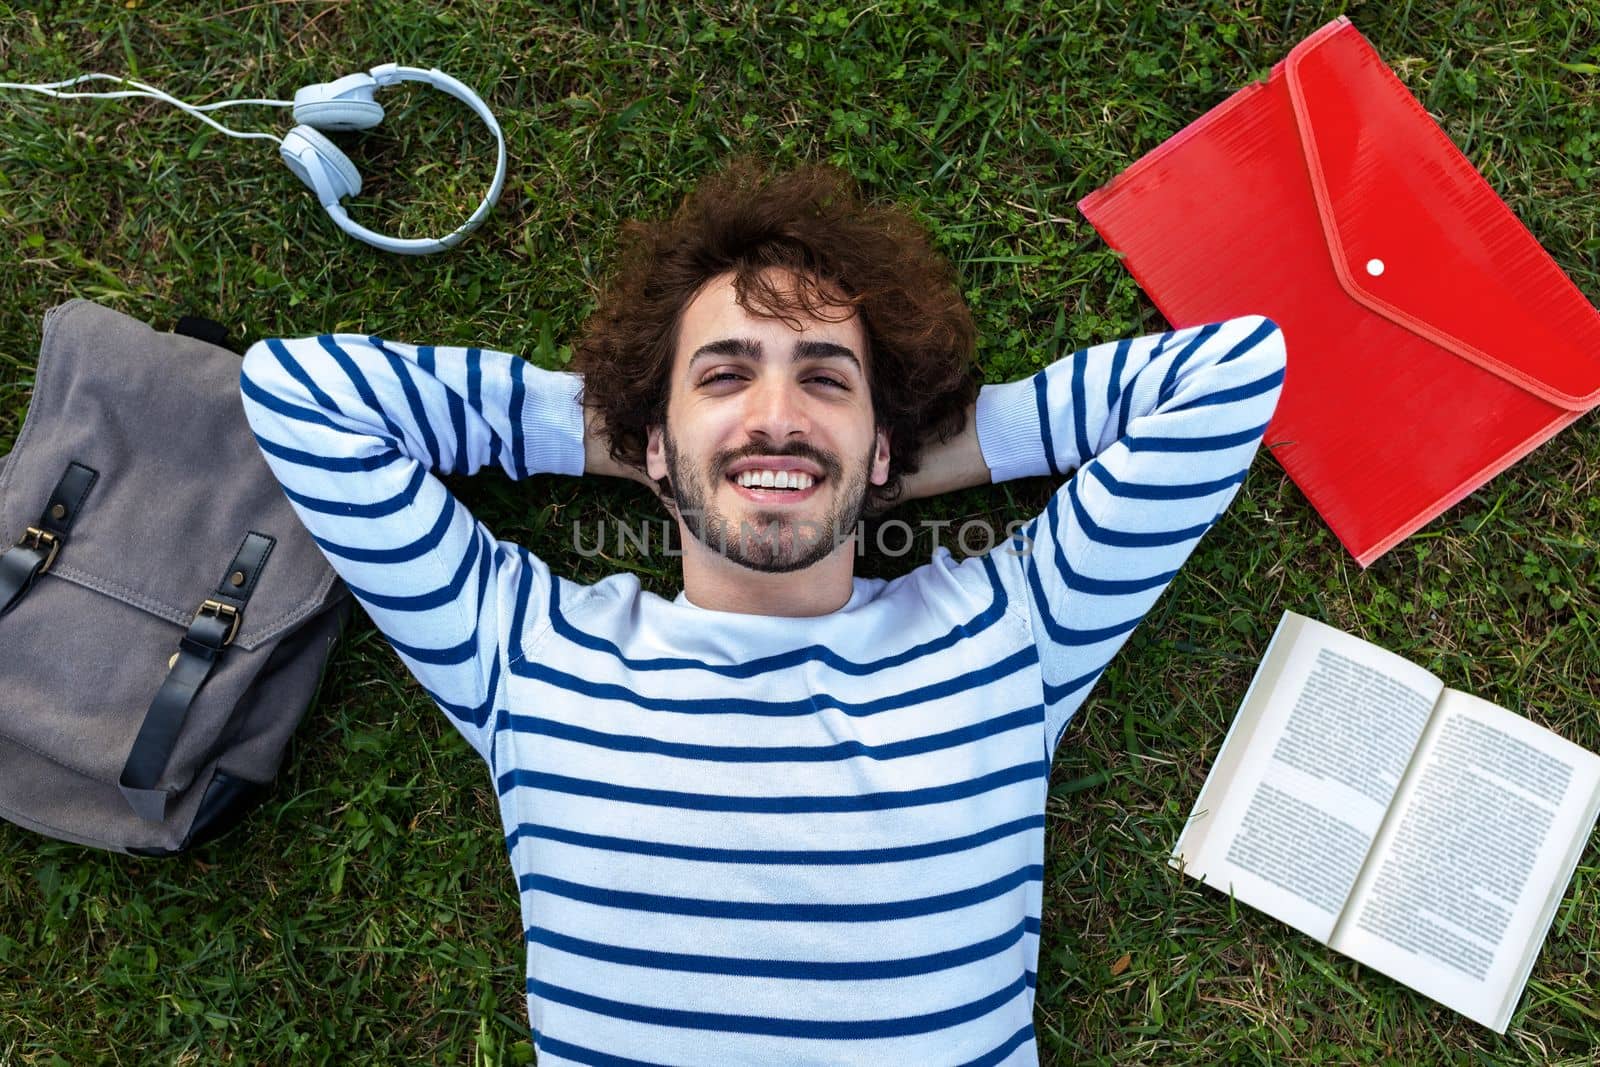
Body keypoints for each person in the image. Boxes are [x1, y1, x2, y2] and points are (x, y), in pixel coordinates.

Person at [238, 159, 1285, 1066]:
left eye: (826, 381)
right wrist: (681, 449)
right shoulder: (523, 653)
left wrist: (879, 470)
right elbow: (298, 394)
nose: (777, 414)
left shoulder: (1007, 637)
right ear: (650, 440)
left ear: (882, 444)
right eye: (725, 375)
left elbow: (1231, 373)